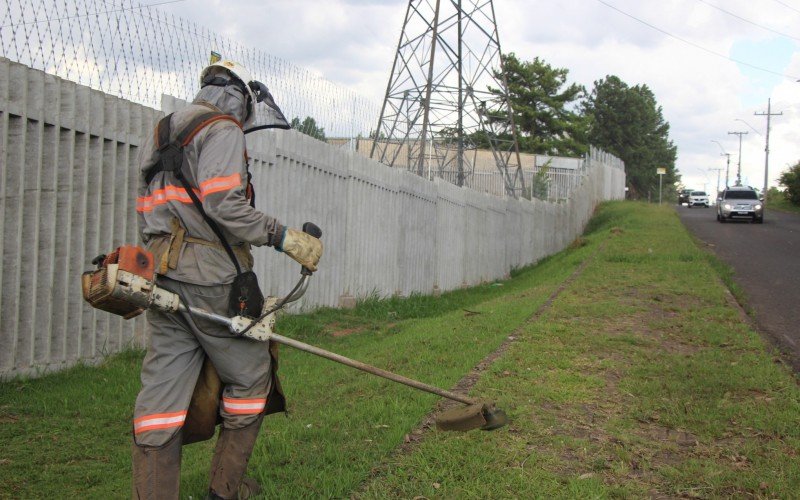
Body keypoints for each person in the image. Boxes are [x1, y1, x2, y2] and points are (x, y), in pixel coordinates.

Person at [132, 60, 322, 499]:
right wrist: (284, 237)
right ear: (238, 97)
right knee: (252, 375)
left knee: (159, 398)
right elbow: (224, 206)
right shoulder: (223, 129)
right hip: (212, 277)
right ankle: (224, 491)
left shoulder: (162, 131)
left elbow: (152, 211)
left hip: (161, 275)